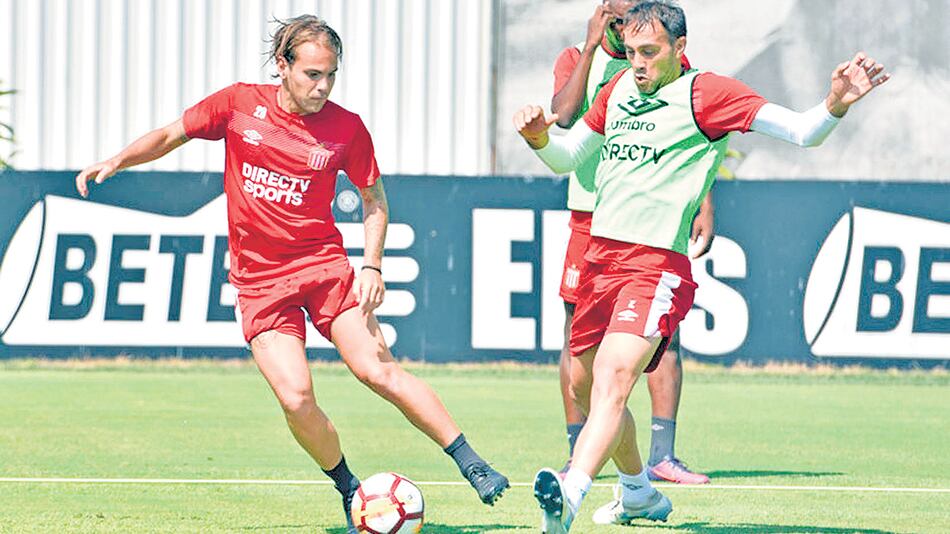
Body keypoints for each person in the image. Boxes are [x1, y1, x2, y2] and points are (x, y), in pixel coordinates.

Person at [74, 15, 509, 533]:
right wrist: (119, 160)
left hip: (324, 269)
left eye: (330, 75)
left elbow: (374, 200)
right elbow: (173, 133)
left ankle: (471, 462)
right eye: (311, 75)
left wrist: (371, 264)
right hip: (260, 285)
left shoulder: (347, 128)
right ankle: (350, 491)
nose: (322, 87)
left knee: (377, 371)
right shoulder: (238, 104)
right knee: (296, 397)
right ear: (282, 66)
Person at [514, 1, 889, 531]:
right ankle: (637, 491)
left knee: (613, 376)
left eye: (649, 52)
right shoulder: (617, 89)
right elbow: (568, 156)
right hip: (600, 259)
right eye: (630, 50)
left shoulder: (708, 94)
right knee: (583, 387)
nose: (637, 63)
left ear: (679, 48)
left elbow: (804, 132)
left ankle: (569, 498)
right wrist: (537, 138)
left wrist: (834, 104)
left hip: (654, 267)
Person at [551, 0, 712, 485]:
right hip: (591, 217)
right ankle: (581, 448)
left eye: (630, 19)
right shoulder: (578, 55)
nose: (625, 32)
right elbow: (562, 119)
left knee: (662, 336)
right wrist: (592, 47)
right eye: (617, 21)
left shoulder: (664, 58)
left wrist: (703, 200)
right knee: (577, 340)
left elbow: (694, 136)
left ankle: (663, 453)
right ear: (603, 13)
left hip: (653, 221)